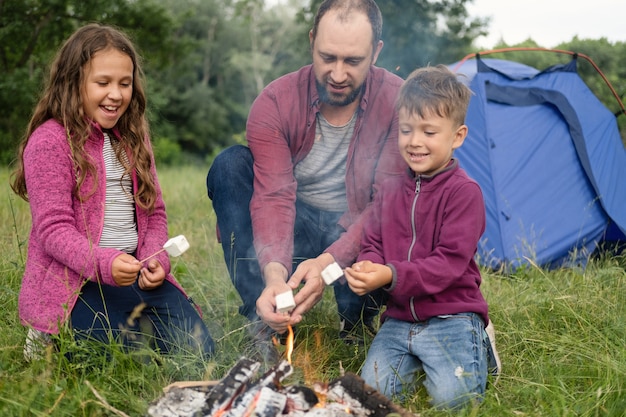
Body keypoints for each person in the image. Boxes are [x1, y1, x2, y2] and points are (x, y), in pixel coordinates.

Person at [206, 0, 404, 357]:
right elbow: (273, 197)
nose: (339, 74)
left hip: (356, 231)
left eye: (353, 61)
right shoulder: (275, 101)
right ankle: (265, 313)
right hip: (293, 228)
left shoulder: (398, 102)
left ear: (376, 53)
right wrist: (275, 276)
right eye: (327, 57)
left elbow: (386, 204)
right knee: (230, 165)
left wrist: (329, 263)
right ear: (312, 41)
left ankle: (357, 319)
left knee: (403, 205)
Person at [10, 24, 214, 361]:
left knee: (198, 350)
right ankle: (48, 329)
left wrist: (155, 259)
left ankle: (127, 320)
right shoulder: (50, 140)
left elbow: (155, 212)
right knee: (114, 357)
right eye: (102, 83)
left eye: (125, 83)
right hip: (77, 280)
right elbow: (53, 230)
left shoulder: (133, 137)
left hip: (132, 273)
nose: (116, 94)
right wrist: (104, 263)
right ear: (73, 82)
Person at [344, 65, 499, 409]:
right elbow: (373, 241)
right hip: (399, 318)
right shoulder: (388, 190)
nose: (415, 142)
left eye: (429, 132)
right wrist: (368, 262)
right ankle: (412, 357)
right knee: (368, 397)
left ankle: (480, 342)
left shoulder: (464, 193)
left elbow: (449, 264)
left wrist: (391, 275)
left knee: (453, 400)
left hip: (452, 317)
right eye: (406, 130)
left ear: (457, 136)